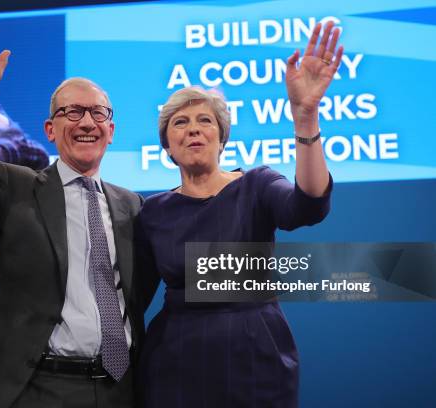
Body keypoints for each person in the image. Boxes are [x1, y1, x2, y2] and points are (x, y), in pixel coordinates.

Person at [0, 14, 144, 408]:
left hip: (117, 390)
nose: (87, 121)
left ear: (111, 130)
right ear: (50, 129)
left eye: (98, 113)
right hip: (32, 388)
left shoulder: (132, 205)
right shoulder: (14, 185)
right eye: (73, 112)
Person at [137, 21, 342, 407]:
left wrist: (306, 117)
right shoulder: (152, 212)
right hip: (176, 358)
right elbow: (131, 296)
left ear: (221, 137)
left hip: (254, 352)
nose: (194, 129)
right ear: (167, 145)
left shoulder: (257, 185)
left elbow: (309, 205)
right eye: (180, 122)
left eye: (205, 121)